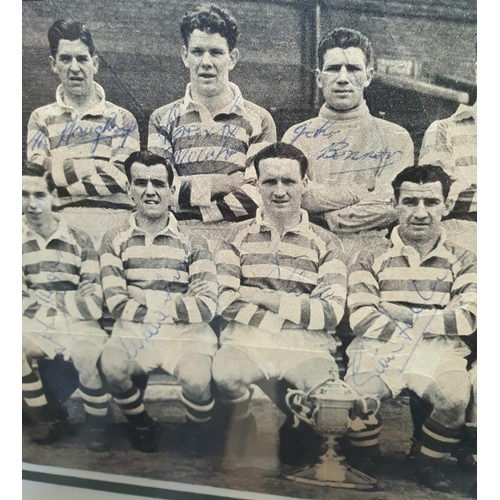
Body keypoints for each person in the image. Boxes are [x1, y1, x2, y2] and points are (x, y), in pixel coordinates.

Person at [212, 142, 347, 465]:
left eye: (288, 181)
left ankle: (297, 428)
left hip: (305, 344)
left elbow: (330, 312)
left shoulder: (326, 241)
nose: (280, 191)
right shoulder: (235, 236)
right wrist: (288, 314)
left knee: (328, 410)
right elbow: (224, 299)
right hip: (248, 339)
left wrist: (258, 295)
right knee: (225, 375)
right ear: (257, 185)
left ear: (305, 184)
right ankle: (245, 423)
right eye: (270, 181)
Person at [344, 165, 476, 492]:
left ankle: (426, 461)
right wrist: (432, 318)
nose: (420, 213)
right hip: (378, 347)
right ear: (395, 204)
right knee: (357, 397)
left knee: (455, 398)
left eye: (431, 202)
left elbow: (468, 318)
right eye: (410, 202)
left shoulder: (466, 260)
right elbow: (361, 316)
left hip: (439, 352)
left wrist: (403, 315)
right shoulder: (369, 255)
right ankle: (365, 454)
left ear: (445, 206)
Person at [99, 151, 218, 454]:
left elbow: (205, 307)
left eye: (158, 183)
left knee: (197, 378)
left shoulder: (194, 241)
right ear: (129, 189)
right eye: (141, 182)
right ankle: (142, 424)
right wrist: (174, 304)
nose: (150, 190)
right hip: (135, 331)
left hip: (185, 335)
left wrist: (145, 296)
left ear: (171, 188)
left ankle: (198, 430)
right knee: (111, 367)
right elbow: (115, 303)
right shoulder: (114, 238)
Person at [148, 3, 276, 246]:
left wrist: (196, 210)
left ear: (232, 58)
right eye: (197, 52)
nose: (206, 62)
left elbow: (258, 194)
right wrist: (223, 183)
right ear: (185, 56)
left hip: (240, 242)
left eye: (216, 52)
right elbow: (158, 189)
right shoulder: (161, 118)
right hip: (178, 240)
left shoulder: (259, 119)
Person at [282, 27, 414, 258]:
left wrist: (325, 218)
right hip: (307, 252)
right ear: (319, 78)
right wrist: (361, 193)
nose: (343, 78)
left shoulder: (395, 137)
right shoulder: (296, 136)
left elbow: (391, 203)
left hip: (375, 254)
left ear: (368, 76)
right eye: (333, 69)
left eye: (353, 69)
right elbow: (295, 197)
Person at [26, 19, 140, 245]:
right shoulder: (40, 118)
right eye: (65, 59)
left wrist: (61, 176)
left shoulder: (123, 118)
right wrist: (96, 165)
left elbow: (120, 179)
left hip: (115, 225)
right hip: (61, 225)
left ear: (95, 63)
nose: (75, 67)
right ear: (53, 64)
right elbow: (39, 180)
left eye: (82, 58)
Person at [22, 162, 110, 451]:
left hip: (79, 324)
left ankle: (98, 423)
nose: (31, 204)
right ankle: (44, 418)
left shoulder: (79, 239)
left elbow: (94, 304)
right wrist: (72, 299)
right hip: (38, 323)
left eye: (39, 195)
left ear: (54, 197)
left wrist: (45, 298)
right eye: (23, 195)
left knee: (87, 355)